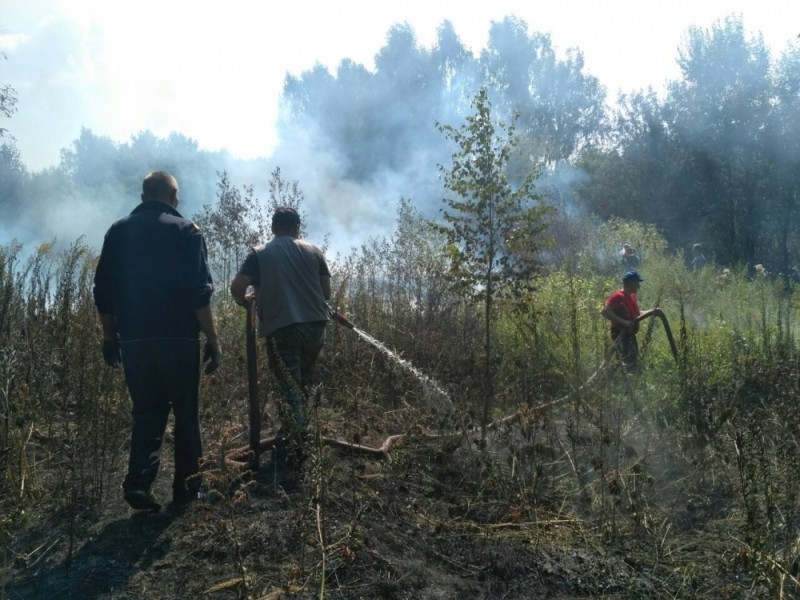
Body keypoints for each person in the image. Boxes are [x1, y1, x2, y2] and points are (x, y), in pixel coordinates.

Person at [93, 171, 222, 511]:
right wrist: (212, 339)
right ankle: (188, 490)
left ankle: (138, 483)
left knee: (147, 411)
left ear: (143, 194)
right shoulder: (187, 231)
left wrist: (110, 337)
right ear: (173, 195)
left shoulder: (118, 232)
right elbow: (199, 293)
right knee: (186, 414)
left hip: (134, 340)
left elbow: (102, 291)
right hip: (178, 338)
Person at [230, 206, 331, 469]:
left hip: (283, 328)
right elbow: (326, 293)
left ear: (273, 228)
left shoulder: (260, 254)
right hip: (316, 328)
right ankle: (297, 429)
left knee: (289, 387)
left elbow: (237, 287)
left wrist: (247, 302)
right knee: (304, 382)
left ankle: (298, 445)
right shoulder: (314, 251)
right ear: (298, 227)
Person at [601, 270, 661, 370]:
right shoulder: (617, 296)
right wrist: (624, 322)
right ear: (630, 283)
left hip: (630, 335)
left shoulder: (632, 296)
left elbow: (637, 314)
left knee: (632, 362)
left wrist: (652, 311)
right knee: (624, 363)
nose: (638, 286)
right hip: (620, 334)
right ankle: (618, 380)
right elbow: (605, 312)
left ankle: (629, 379)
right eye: (637, 283)